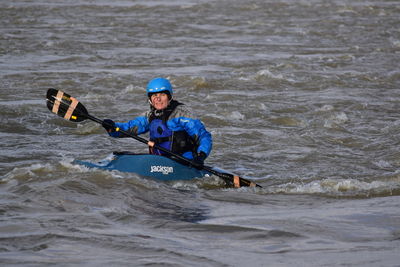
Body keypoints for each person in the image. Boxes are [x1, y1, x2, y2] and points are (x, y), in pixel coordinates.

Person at [102, 77, 212, 168]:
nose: (158, 99)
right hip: (159, 162)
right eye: (154, 96)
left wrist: (200, 156)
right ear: (150, 99)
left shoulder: (182, 114)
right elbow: (129, 128)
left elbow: (203, 136)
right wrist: (112, 128)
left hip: (183, 162)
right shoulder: (150, 116)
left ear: (169, 97)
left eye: (162, 95)